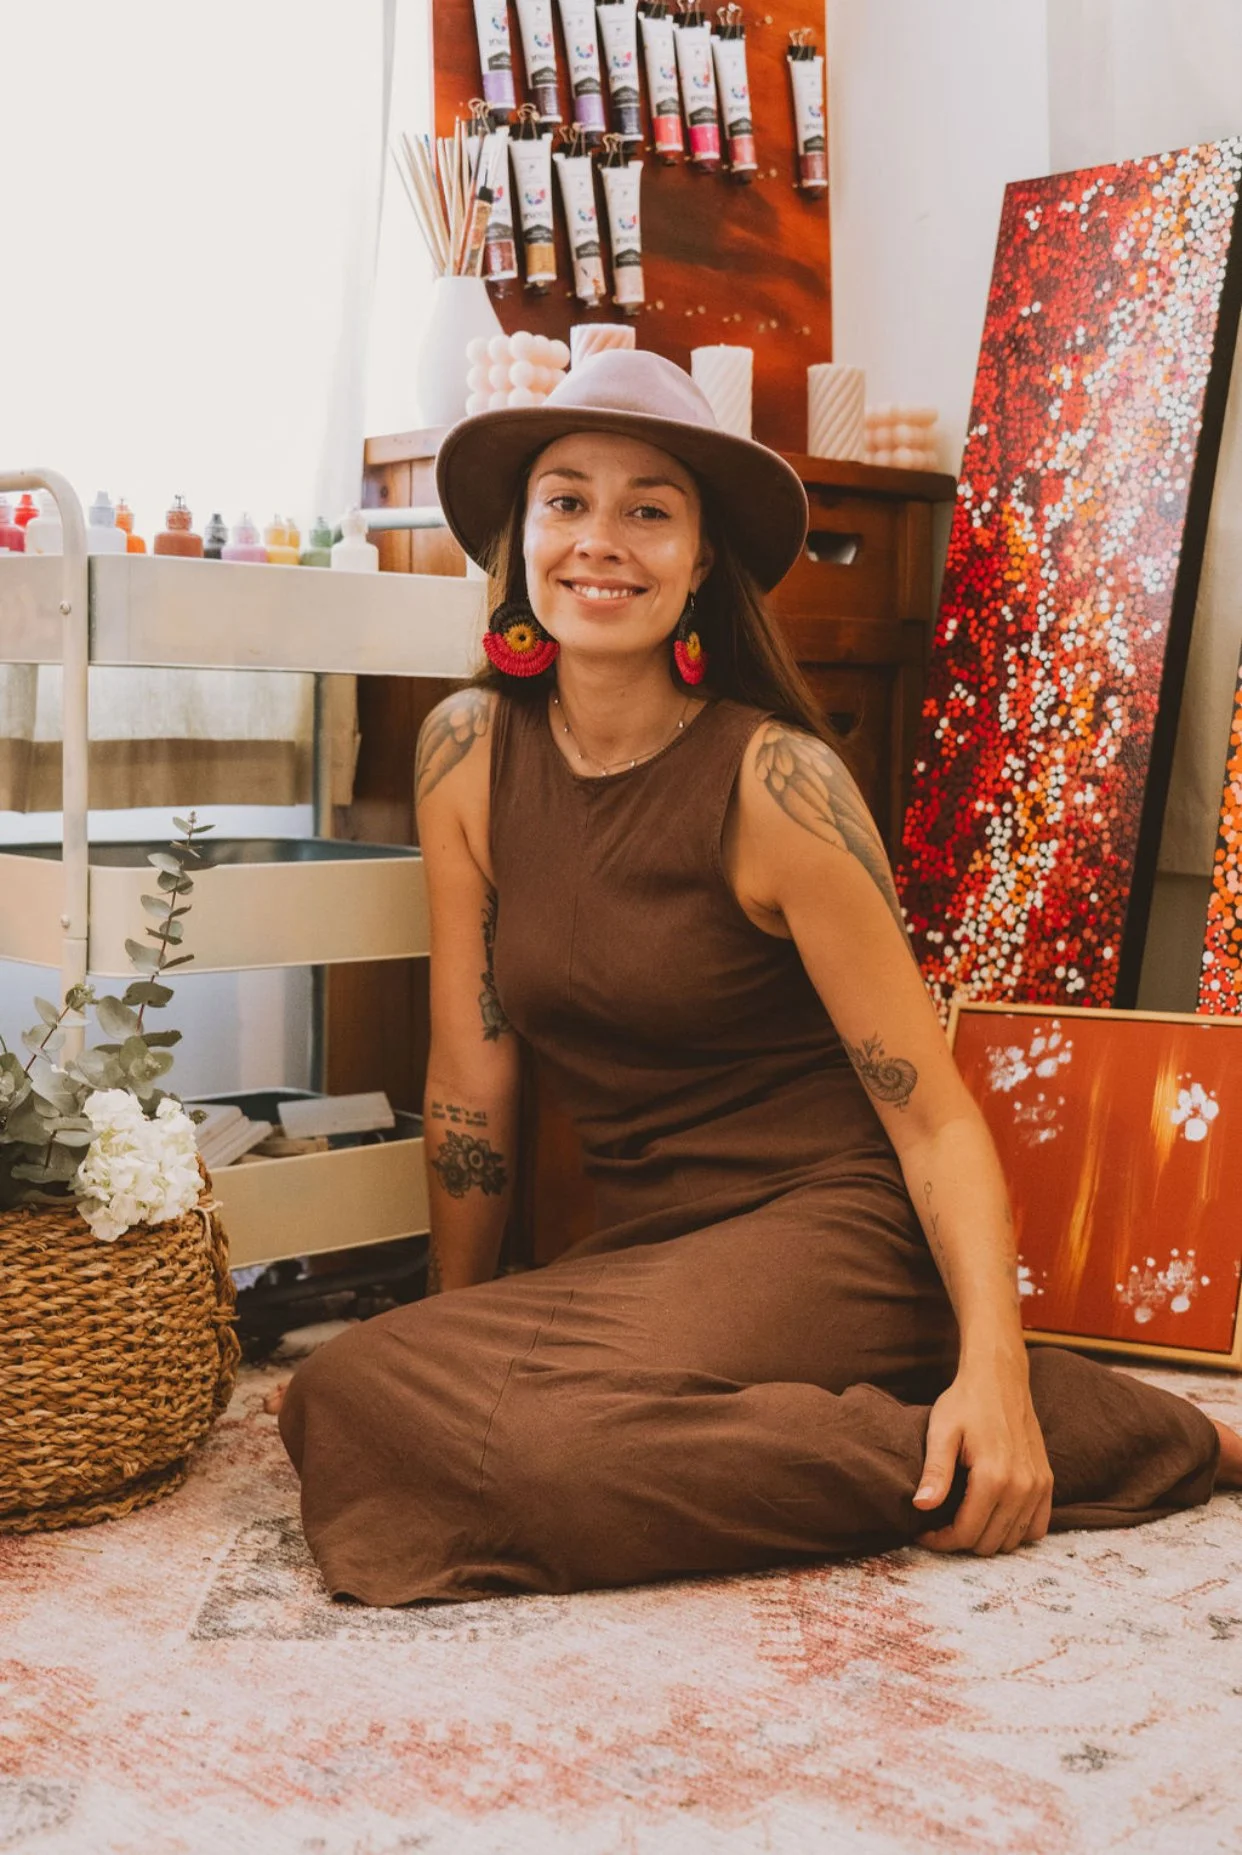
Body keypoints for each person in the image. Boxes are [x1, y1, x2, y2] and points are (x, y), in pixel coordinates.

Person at [276, 351, 1240, 1607]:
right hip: (641, 1243)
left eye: (649, 510)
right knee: (346, 1396)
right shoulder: (465, 749)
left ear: (701, 561)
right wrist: (456, 1331)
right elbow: (471, 1071)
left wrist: (995, 1363)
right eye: (565, 501)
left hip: (833, 1221)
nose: (600, 542)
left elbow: (933, 1110)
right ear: (520, 540)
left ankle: (1058, 1428)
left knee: (537, 1454)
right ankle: (914, 1414)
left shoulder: (776, 785)